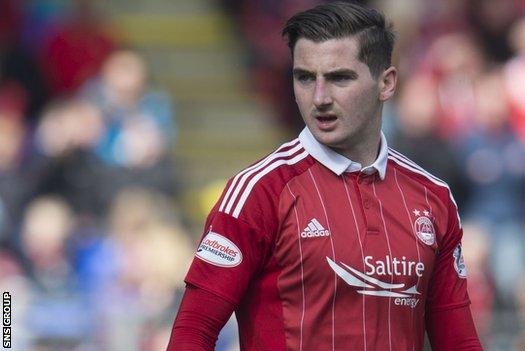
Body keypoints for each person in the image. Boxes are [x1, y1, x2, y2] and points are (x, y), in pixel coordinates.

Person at [168, 2, 482, 350]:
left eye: (339, 78)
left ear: (387, 83)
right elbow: (192, 332)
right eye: (304, 77)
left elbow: (460, 342)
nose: (319, 98)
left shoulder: (432, 196)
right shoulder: (259, 191)